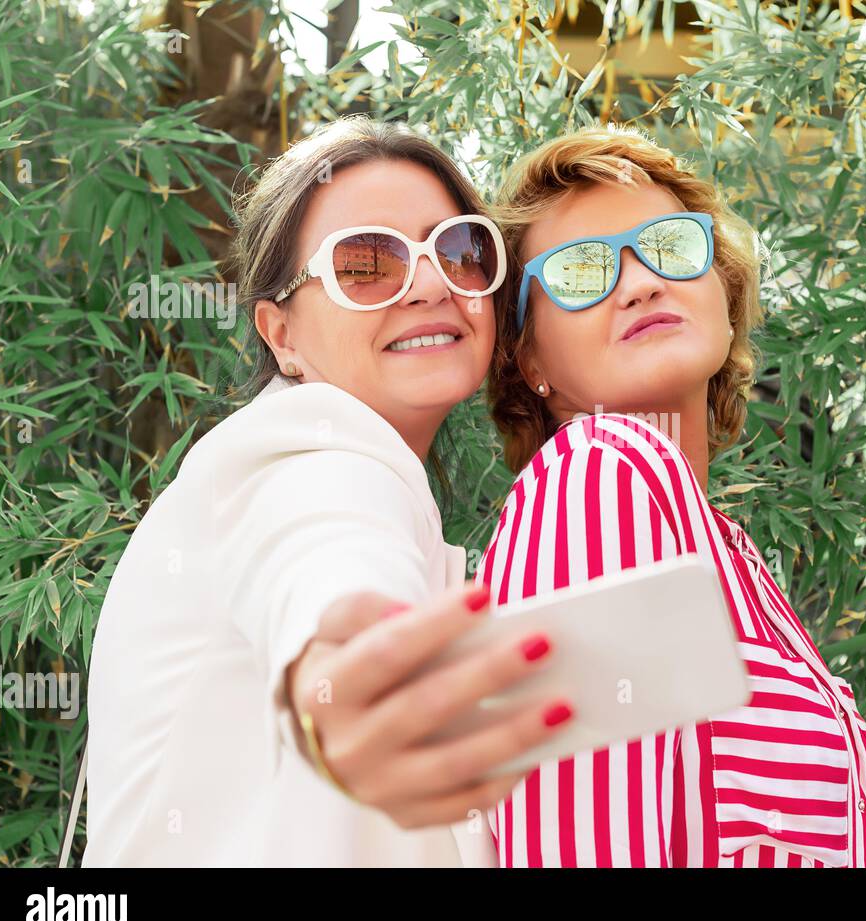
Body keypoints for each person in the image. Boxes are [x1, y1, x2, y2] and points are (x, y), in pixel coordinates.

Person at [82, 117, 572, 866]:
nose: (433, 284)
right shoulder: (303, 452)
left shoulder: (373, 483)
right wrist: (336, 676)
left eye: (459, 250)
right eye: (367, 263)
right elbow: (322, 552)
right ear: (281, 334)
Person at [478, 125, 866, 867]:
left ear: (726, 295)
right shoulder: (595, 478)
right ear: (529, 357)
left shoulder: (724, 547)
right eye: (579, 271)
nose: (639, 281)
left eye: (669, 245)